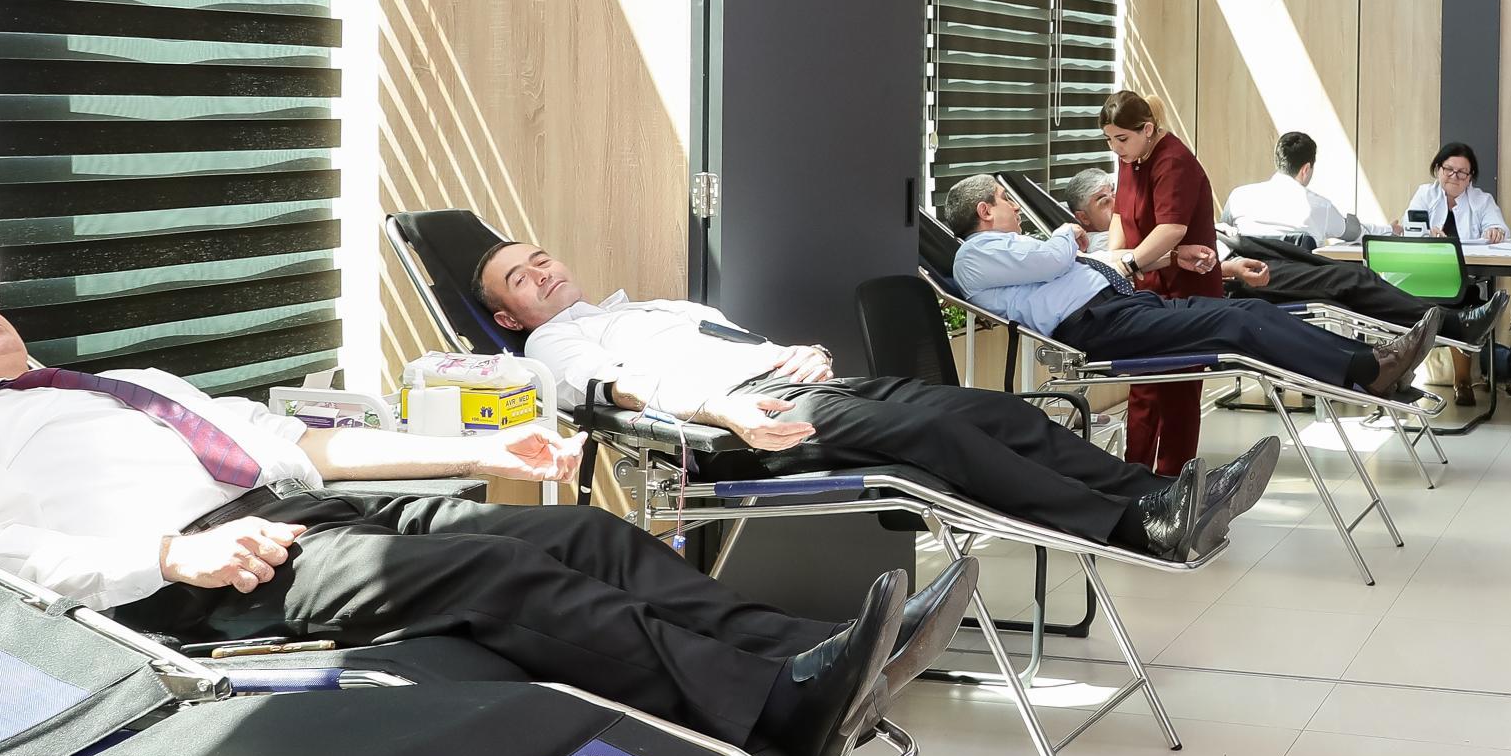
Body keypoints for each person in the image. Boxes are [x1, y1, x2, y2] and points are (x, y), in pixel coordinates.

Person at [0, 249, 973, 756]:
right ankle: (780, 711)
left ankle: (820, 656)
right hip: (201, 583)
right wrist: (174, 552)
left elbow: (299, 445)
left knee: (577, 532)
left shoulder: (119, 384)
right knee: (500, 577)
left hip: (296, 515)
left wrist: (478, 450)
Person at [476, 236, 1276, 562]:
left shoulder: (644, 307)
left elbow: (739, 341)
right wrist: (724, 411)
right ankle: (1139, 528)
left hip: (789, 384)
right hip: (742, 423)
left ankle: (1162, 495)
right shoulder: (550, 345)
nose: (540, 273)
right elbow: (618, 391)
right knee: (938, 441)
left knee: (995, 412)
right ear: (510, 317)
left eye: (539, 258)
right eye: (520, 278)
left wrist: (800, 352)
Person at [944, 176, 1438, 402]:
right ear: (984, 211)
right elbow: (1058, 257)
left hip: (1119, 305)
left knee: (1241, 313)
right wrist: (1062, 233)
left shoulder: (1008, 253)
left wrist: (1171, 257)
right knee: (1233, 323)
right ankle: (1365, 371)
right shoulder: (975, 255)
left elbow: (1092, 260)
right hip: (1096, 325)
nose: (1014, 207)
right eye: (1005, 200)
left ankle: (1370, 361)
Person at [1067, 164, 1442, 333]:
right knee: (1350, 281)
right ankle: (1445, 322)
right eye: (1104, 201)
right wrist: (1227, 269)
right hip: (1230, 274)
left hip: (1236, 245)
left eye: (1115, 192)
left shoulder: (1133, 216)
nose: (1117, 203)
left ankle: (1438, 320)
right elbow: (1147, 270)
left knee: (1350, 273)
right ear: (1083, 218)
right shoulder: (1102, 249)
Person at [1101, 90, 1223, 476]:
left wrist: (1129, 263)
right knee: (1143, 389)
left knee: (1178, 395)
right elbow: (1120, 215)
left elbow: (1172, 229)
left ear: (1148, 130)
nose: (1116, 148)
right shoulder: (1130, 157)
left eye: (1122, 139)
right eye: (1109, 140)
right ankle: (1134, 478)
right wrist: (1114, 258)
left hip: (1186, 289)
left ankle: (1172, 484)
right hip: (1146, 286)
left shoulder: (1174, 161)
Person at [1224, 132, 1375, 244]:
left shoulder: (1238, 197)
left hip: (1248, 277)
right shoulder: (1320, 207)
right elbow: (1353, 232)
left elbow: (1221, 232)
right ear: (1306, 169)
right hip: (1299, 278)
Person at [1403, 142, 1510, 246]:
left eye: (1462, 172)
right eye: (1448, 169)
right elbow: (1408, 228)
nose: (1454, 176)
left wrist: (1495, 232)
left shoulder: (1483, 200)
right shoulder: (1425, 194)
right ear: (1438, 169)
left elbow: (1498, 227)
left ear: (1470, 176)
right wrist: (1427, 234)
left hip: (1471, 258)